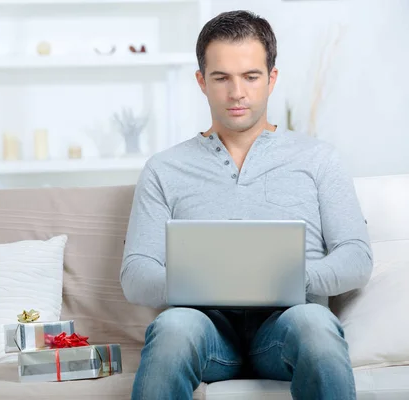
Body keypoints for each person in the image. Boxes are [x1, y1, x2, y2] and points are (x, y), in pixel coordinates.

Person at [120, 10, 373, 400]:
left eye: (251, 76)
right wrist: (201, 284)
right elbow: (136, 273)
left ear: (271, 79)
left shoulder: (319, 159)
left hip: (288, 326)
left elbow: (356, 256)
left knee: (316, 324)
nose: (237, 92)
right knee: (173, 328)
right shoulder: (164, 169)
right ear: (202, 82)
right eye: (221, 78)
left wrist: (295, 279)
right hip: (205, 332)